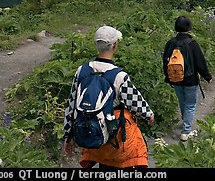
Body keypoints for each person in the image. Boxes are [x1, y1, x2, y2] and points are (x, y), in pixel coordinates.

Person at [62, 25, 155, 168]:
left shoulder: (82, 70)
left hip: (93, 136)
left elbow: (71, 104)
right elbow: (138, 105)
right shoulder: (119, 76)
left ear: (96, 45)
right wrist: (149, 115)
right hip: (115, 139)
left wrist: (68, 135)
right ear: (115, 45)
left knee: (103, 164)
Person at [163, 16, 212, 142]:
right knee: (190, 104)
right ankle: (186, 131)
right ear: (189, 27)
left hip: (175, 78)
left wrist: (167, 76)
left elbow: (165, 61)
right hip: (190, 79)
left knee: (182, 101)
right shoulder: (192, 44)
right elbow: (200, 62)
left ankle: (185, 122)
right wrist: (207, 77)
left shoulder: (171, 42)